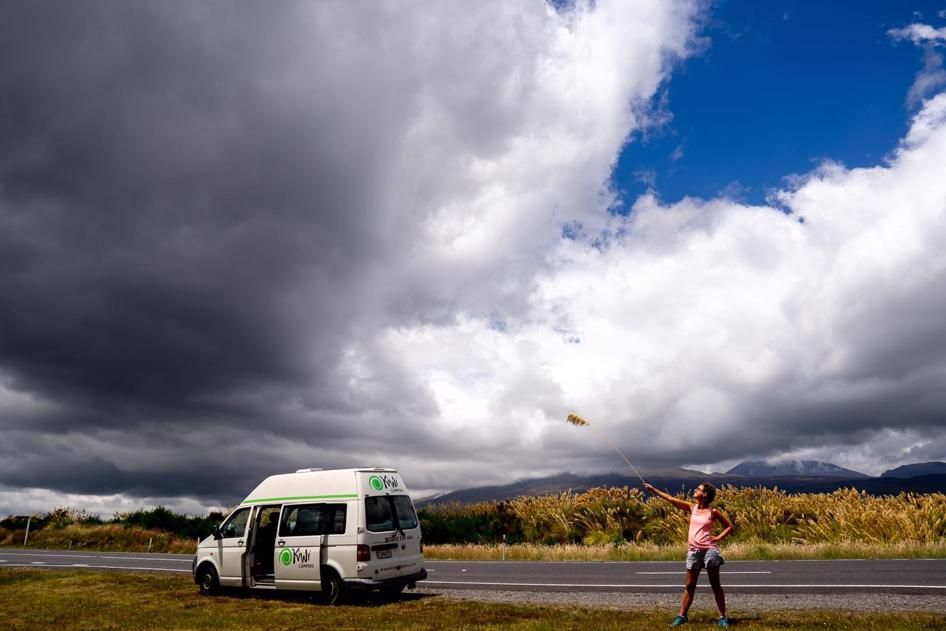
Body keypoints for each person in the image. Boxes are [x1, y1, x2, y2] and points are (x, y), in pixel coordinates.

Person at [643, 481, 734, 628]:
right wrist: (654, 490)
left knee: (715, 584)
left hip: (710, 551)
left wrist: (717, 538)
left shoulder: (713, 511)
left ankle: (723, 617)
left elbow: (730, 526)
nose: (695, 490)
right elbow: (671, 499)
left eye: (698, 489)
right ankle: (682, 616)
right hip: (693, 551)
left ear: (704, 495)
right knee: (690, 585)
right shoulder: (692, 508)